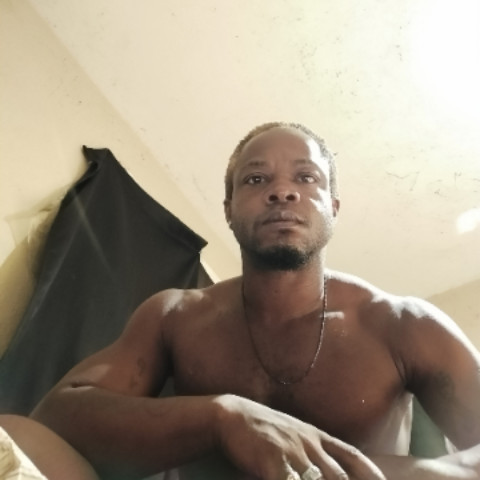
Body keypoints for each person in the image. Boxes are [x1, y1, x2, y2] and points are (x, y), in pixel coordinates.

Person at [31, 122, 480, 480]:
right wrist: (222, 418)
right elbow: (56, 417)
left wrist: (340, 470)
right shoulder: (176, 316)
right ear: (228, 209)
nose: (282, 191)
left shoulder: (403, 323)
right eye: (256, 179)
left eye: (306, 177)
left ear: (333, 207)